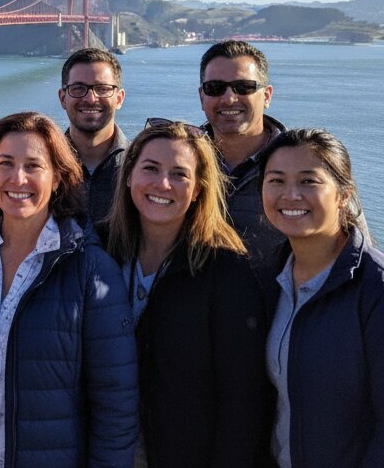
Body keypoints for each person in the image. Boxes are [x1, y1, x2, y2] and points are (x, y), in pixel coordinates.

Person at [0, 111, 137, 467]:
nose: (18, 178)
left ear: (58, 178)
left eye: (34, 165)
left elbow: (116, 405)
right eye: (5, 163)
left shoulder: (90, 270)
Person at [106, 120, 271, 467]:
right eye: (150, 168)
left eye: (180, 174)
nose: (162, 184)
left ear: (198, 188)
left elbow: (243, 399)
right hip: (104, 450)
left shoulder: (227, 271)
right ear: (130, 174)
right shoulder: (98, 250)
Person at [259, 129, 384, 468]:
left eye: (309, 182)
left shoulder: (380, 290)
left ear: (343, 195)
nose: (290, 195)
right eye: (276, 180)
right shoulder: (269, 279)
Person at [198, 40, 286, 262]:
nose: (228, 99)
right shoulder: (178, 161)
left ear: (267, 96)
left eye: (244, 87)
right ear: (202, 97)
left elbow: (353, 250)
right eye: (215, 88)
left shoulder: (308, 165)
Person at [58, 47, 127, 231]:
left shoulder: (140, 167)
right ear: (63, 98)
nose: (90, 98)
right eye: (78, 88)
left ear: (119, 99)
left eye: (102, 89)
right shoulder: (43, 165)